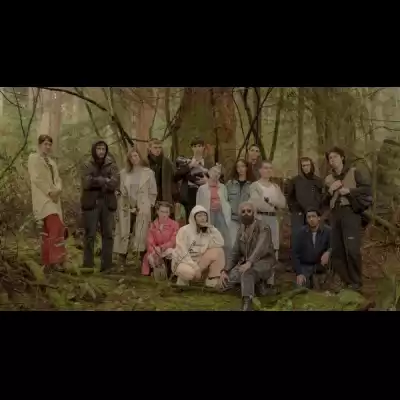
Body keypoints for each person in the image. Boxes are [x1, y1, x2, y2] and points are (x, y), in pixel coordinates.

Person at [324, 147, 372, 291]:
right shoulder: (328, 179)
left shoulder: (354, 172)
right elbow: (323, 202)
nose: (332, 160)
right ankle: (347, 281)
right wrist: (330, 190)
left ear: (342, 158)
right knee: (337, 251)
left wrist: (349, 191)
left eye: (335, 156)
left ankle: (357, 283)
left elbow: (367, 190)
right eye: (330, 158)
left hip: (351, 213)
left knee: (352, 249)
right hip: (335, 214)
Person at [220, 201, 277, 311]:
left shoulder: (264, 227)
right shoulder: (240, 230)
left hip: (264, 263)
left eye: (249, 211)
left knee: (247, 273)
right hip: (246, 264)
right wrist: (225, 270)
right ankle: (258, 288)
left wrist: (249, 262)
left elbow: (260, 248)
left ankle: (247, 302)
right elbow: (235, 253)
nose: (246, 213)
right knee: (223, 285)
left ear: (254, 213)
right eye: (243, 211)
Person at [113, 148, 157, 271]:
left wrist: (149, 205)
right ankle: (121, 260)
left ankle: (143, 262)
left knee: (142, 233)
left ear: (140, 156)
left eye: (136, 155)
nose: (134, 158)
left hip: (142, 207)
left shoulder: (148, 173)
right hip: (126, 207)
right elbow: (120, 190)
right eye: (131, 156)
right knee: (124, 232)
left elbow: (153, 191)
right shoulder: (123, 173)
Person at [28, 134, 66, 270]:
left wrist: (58, 189)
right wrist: (49, 192)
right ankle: (54, 260)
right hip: (43, 198)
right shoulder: (33, 158)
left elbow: (57, 179)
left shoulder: (52, 162)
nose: (48, 147)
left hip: (54, 198)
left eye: (50, 144)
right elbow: (36, 178)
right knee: (55, 226)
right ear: (39, 145)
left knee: (48, 231)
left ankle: (47, 262)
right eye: (45, 144)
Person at [81, 140, 119, 272]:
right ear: (94, 150)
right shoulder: (87, 164)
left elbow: (114, 183)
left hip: (107, 203)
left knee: (108, 234)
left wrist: (95, 180)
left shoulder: (111, 164)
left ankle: (106, 265)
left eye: (103, 149)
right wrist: (104, 180)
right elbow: (86, 183)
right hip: (92, 203)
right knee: (90, 234)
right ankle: (88, 264)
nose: (101, 151)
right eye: (99, 149)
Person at [171, 205, 225, 288]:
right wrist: (195, 267)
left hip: (199, 261)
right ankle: (183, 280)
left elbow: (220, 243)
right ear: (194, 218)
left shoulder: (207, 231)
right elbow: (182, 252)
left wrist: (212, 229)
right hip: (183, 262)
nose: (203, 218)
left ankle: (211, 280)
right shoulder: (184, 230)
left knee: (219, 251)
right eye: (199, 216)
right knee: (190, 273)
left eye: (204, 215)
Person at [286, 157, 324, 262]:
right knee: (297, 237)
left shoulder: (318, 181)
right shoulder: (295, 181)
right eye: (303, 166)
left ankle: (313, 262)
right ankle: (296, 263)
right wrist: (294, 209)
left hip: (313, 214)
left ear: (311, 166)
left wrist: (318, 212)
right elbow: (290, 197)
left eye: (308, 165)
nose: (306, 167)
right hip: (298, 213)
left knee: (313, 238)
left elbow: (321, 197)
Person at [174, 137, 213, 222]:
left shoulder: (210, 163)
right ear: (192, 148)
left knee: (204, 217)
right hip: (190, 194)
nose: (197, 149)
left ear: (203, 147)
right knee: (190, 219)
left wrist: (208, 181)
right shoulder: (186, 162)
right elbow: (176, 176)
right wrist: (190, 166)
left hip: (205, 193)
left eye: (199, 146)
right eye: (195, 146)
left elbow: (219, 179)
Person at [196, 164, 231, 258]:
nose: (216, 174)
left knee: (223, 238)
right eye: (214, 171)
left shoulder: (223, 187)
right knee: (208, 237)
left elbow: (226, 201)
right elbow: (198, 204)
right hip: (208, 215)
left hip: (220, 214)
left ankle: (225, 259)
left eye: (219, 173)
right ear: (209, 172)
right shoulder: (202, 188)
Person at [293, 208, 332, 289]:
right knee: (301, 288)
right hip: (305, 266)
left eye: (313, 216)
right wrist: (299, 273)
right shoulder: (301, 232)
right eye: (309, 217)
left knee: (322, 290)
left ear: (319, 218)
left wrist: (328, 252)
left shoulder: (327, 231)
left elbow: (334, 246)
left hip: (320, 266)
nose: (311, 219)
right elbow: (295, 254)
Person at [142, 201, 179, 279]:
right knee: (150, 256)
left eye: (166, 212)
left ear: (169, 213)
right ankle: (156, 272)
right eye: (162, 211)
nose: (164, 214)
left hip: (169, 249)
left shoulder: (174, 224)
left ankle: (171, 272)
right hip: (156, 250)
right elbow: (149, 241)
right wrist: (154, 250)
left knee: (172, 253)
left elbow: (173, 241)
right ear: (157, 212)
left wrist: (162, 248)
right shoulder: (152, 225)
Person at [147, 138, 178, 219]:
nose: (158, 150)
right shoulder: (146, 162)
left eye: (159, 147)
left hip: (164, 194)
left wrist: (174, 196)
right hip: (150, 194)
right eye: (155, 147)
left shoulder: (167, 162)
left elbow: (174, 178)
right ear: (150, 148)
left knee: (166, 218)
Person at [226, 159, 252, 245]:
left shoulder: (252, 185)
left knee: (246, 244)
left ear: (247, 168)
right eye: (238, 167)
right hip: (233, 219)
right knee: (233, 244)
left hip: (247, 220)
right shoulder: (230, 184)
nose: (240, 169)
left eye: (243, 166)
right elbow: (225, 200)